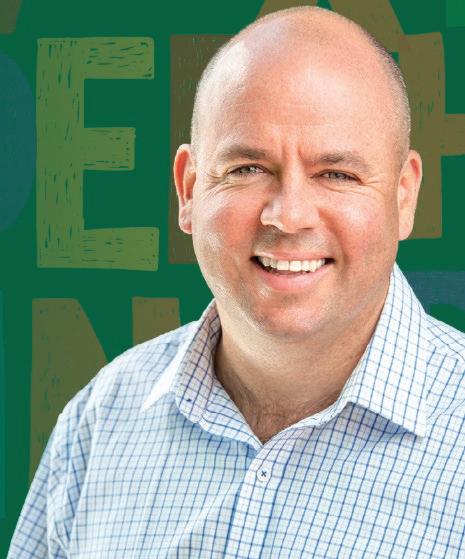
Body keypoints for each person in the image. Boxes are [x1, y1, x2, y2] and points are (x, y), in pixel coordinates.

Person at [8, 6, 465, 558]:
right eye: (248, 168)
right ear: (188, 190)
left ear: (404, 195)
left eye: (336, 174)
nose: (288, 216)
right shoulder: (102, 417)